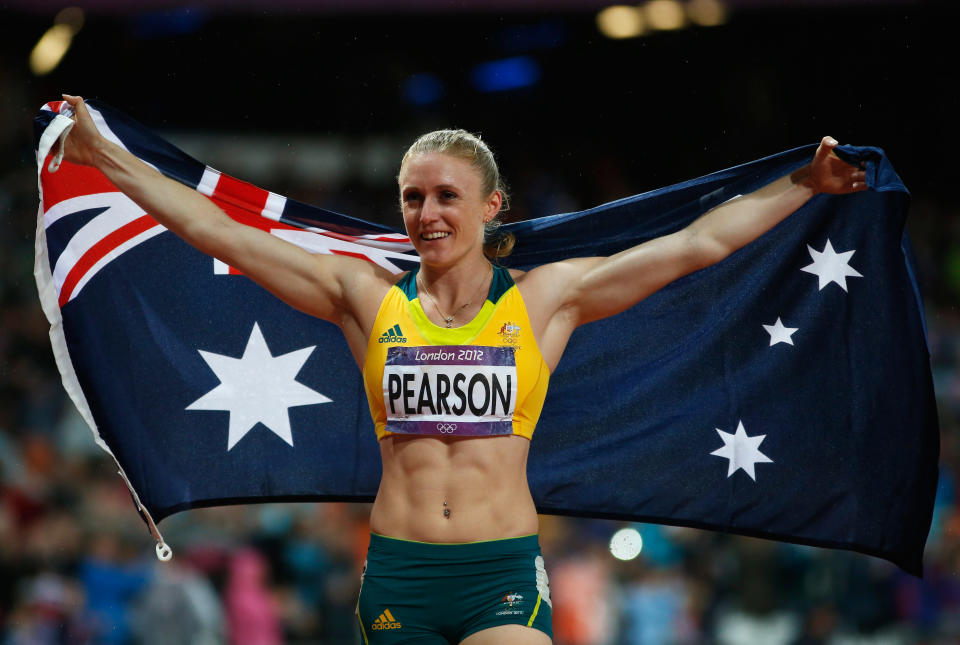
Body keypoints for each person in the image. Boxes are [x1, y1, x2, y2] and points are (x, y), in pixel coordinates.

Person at [55, 93, 867, 644]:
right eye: (412, 198)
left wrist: (805, 184)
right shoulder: (365, 297)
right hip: (400, 571)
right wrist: (107, 158)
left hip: (501, 571)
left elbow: (698, 245)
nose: (426, 214)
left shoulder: (548, 299)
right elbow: (222, 235)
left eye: (446, 196)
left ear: (492, 207)